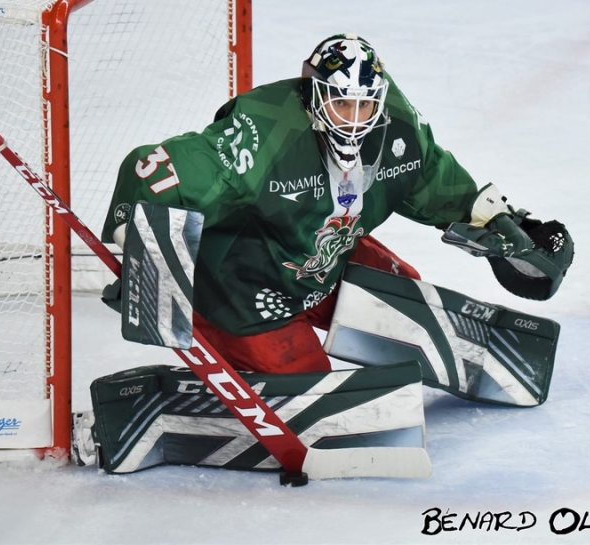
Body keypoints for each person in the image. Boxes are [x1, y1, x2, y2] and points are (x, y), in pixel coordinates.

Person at [101, 33, 561, 375]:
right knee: (308, 385)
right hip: (241, 282)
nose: (356, 119)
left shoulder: (395, 126)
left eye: (366, 106)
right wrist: (139, 256)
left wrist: (496, 217)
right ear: (316, 94)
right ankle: (206, 394)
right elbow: (155, 168)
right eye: (342, 104)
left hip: (321, 259)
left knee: (402, 294)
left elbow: (430, 175)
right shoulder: (267, 134)